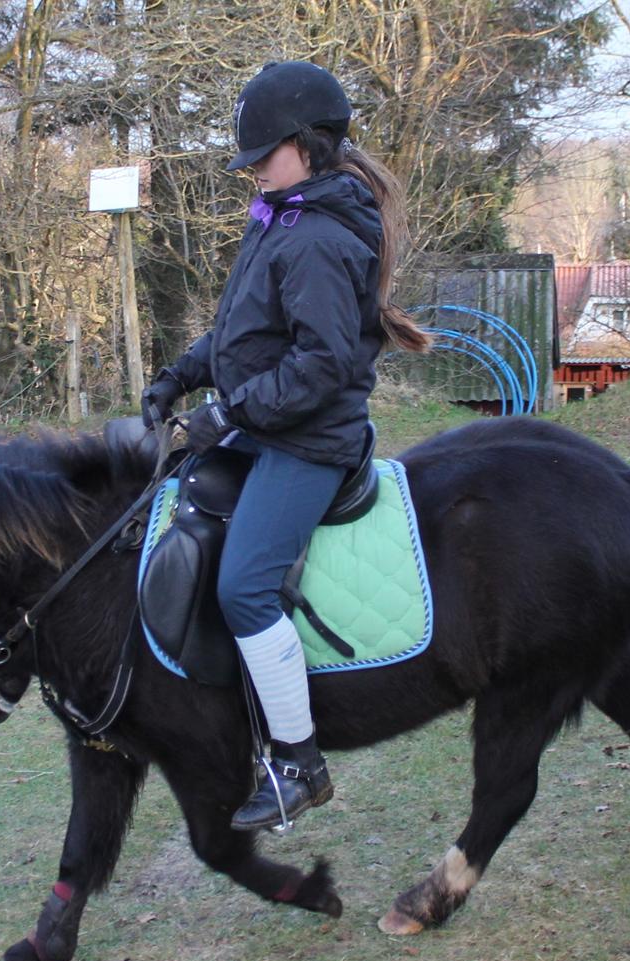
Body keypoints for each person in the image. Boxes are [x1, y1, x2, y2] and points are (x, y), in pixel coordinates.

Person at [141, 60, 430, 831]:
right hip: (267, 426)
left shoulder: (318, 239)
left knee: (243, 587)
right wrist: (179, 375)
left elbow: (321, 365)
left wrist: (228, 415)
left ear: (308, 145)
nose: (254, 171)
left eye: (263, 155)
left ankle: (301, 763)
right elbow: (242, 331)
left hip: (309, 442)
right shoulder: (279, 217)